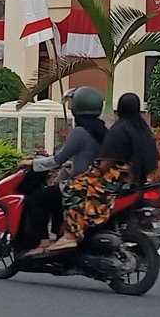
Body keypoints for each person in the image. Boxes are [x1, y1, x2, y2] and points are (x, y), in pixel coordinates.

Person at [44, 91, 154, 254]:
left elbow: (107, 161)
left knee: (71, 188)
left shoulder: (120, 129)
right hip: (135, 180)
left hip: (114, 180)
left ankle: (71, 234)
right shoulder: (143, 130)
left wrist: (95, 170)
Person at [16, 86, 106, 255]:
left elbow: (58, 159)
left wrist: (33, 163)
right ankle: (59, 236)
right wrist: (71, 165)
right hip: (95, 184)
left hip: (80, 185)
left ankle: (42, 242)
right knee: (55, 196)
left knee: (37, 199)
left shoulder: (80, 132)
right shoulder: (101, 130)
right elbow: (89, 157)